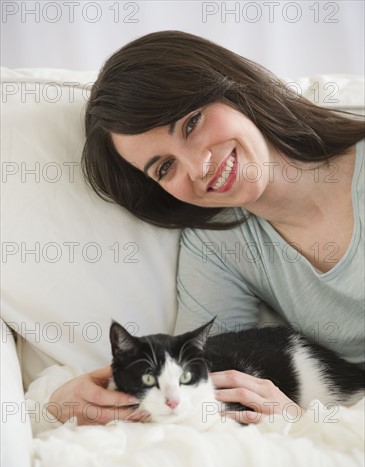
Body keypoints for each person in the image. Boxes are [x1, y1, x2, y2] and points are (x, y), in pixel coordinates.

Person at [48, 30, 365, 426]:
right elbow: (200, 376)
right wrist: (63, 397)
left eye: (191, 123)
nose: (198, 168)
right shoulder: (217, 243)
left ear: (231, 88)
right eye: (164, 167)